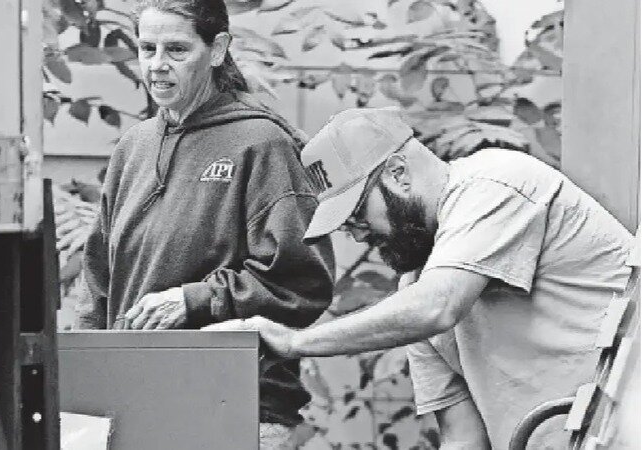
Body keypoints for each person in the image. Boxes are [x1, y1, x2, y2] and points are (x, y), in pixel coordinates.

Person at [206, 108, 634, 448]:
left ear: (398, 172)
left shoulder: (496, 182)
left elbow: (438, 306)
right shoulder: (414, 293)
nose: (358, 235)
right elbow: (463, 439)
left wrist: (295, 342)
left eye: (357, 214)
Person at [75, 0, 336, 447]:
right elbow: (99, 282)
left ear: (217, 49)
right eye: (147, 48)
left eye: (176, 49)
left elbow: (302, 282)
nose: (157, 64)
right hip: (134, 402)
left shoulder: (263, 143)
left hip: (236, 407)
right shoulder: (133, 147)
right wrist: (84, 380)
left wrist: (195, 300)